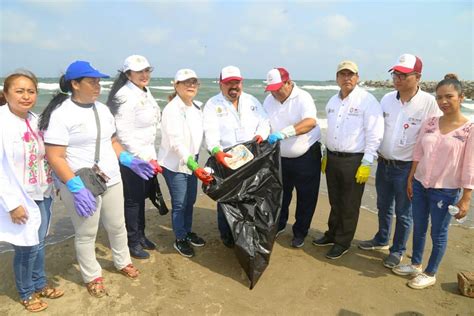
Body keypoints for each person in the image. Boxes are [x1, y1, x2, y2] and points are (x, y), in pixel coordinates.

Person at [41, 61, 153, 297]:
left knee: (117, 224)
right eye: (92, 81)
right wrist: (74, 186)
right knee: (86, 233)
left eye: (99, 81)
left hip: (111, 178)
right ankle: (92, 275)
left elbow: (111, 142)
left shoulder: (102, 110)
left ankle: (122, 261)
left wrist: (129, 160)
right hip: (81, 183)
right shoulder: (61, 114)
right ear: (75, 84)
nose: (98, 86)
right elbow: (55, 156)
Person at [358, 54, 441, 269]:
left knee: (404, 212)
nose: (398, 78)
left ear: (418, 77)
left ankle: (397, 250)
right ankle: (381, 239)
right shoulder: (386, 99)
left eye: (403, 75)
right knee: (383, 205)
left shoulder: (428, 103)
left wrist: (422, 170)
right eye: (395, 74)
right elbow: (375, 129)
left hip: (407, 168)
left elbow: (435, 136)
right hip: (384, 163)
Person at [392, 74, 473, 289]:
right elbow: (418, 152)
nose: (443, 102)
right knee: (419, 226)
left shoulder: (469, 129)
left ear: (461, 97)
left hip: (445, 191)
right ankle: (416, 264)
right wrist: (411, 177)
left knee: (438, 232)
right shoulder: (430, 123)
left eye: (449, 97)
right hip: (420, 184)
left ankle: (430, 272)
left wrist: (466, 198)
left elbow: (469, 166)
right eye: (439, 97)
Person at [0, 70, 64, 312]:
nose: (26, 96)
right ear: (6, 94)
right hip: (19, 197)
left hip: (42, 192)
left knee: (39, 242)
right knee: (26, 247)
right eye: (19, 91)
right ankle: (26, 292)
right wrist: (12, 204)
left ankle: (39, 283)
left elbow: (46, 156)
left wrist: (55, 183)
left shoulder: (36, 119)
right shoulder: (2, 122)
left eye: (30, 91)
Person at [312, 61, 384, 259]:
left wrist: (367, 161)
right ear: (337, 78)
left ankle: (343, 242)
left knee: (349, 204)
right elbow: (332, 130)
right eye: (342, 74)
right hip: (333, 158)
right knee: (335, 201)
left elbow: (374, 133)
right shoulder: (332, 102)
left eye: (350, 74)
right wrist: (326, 153)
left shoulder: (367, 101)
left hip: (354, 160)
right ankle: (332, 234)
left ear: (357, 77)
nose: (347, 78)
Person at [203, 65, 270, 248]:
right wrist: (216, 152)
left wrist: (261, 135)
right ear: (221, 84)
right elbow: (210, 133)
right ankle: (227, 235)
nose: (233, 86)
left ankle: (247, 231)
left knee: (248, 196)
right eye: (228, 83)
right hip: (225, 159)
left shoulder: (252, 101)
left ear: (241, 82)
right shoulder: (212, 104)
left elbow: (264, 122)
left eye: (236, 82)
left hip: (250, 159)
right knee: (227, 198)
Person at [106, 55, 162, 259]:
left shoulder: (144, 91)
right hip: (132, 159)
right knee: (132, 201)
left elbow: (150, 129)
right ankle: (132, 241)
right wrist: (143, 158)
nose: (144, 75)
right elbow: (124, 134)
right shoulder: (125, 95)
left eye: (147, 70)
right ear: (128, 74)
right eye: (139, 72)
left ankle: (141, 235)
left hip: (146, 157)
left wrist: (152, 157)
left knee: (141, 198)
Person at [263, 67, 322, 248]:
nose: (274, 93)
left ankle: (300, 232)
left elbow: (310, 122)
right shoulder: (269, 99)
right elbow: (263, 122)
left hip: (306, 156)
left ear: (288, 83)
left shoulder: (302, 97)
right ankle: (279, 224)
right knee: (281, 195)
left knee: (306, 196)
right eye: (271, 89)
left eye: (277, 89)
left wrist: (284, 133)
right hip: (280, 156)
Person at [158, 69, 213, 258]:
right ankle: (179, 238)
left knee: (191, 199)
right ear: (176, 85)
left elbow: (202, 135)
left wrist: (213, 150)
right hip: (175, 164)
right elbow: (175, 142)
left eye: (194, 82)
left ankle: (187, 232)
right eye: (185, 82)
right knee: (180, 203)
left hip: (193, 160)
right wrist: (191, 164)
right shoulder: (172, 109)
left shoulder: (197, 107)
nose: (190, 85)